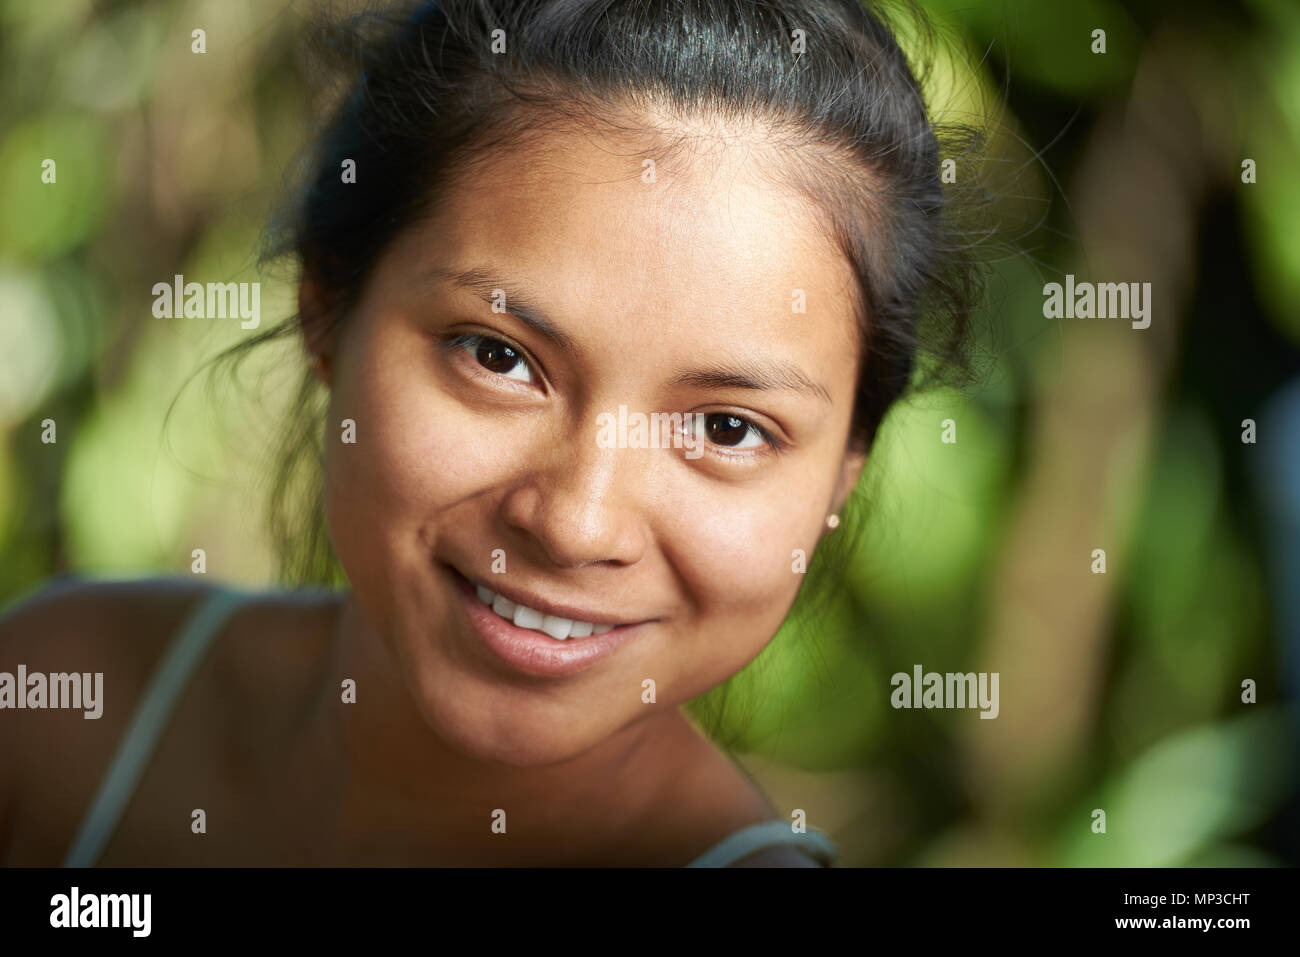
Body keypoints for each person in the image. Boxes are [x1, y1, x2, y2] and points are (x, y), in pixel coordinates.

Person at [0, 0, 981, 866]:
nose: (577, 522)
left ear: (844, 471)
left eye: (728, 427)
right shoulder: (60, 700)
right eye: (499, 357)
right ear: (328, 310)